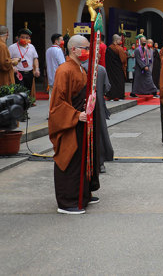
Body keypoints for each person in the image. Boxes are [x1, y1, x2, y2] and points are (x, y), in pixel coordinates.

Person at [48, 35, 99, 214]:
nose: (87, 51)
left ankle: (82, 193)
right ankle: (67, 201)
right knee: (70, 158)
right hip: (71, 122)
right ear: (73, 49)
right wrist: (76, 115)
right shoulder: (64, 70)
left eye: (88, 48)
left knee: (83, 159)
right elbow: (57, 104)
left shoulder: (80, 68)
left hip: (82, 121)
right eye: (84, 48)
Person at [9, 28, 40, 95]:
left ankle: (26, 104)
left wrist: (37, 69)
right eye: (22, 37)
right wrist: (12, 67)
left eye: (27, 37)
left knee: (28, 92)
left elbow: (35, 59)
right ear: (18, 38)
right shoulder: (12, 47)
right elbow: (8, 60)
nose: (25, 39)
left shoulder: (31, 47)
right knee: (20, 92)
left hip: (29, 73)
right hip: (18, 73)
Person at [45, 33, 65, 107]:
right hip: (58, 76)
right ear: (56, 41)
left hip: (50, 76)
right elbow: (62, 64)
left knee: (51, 96)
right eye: (61, 40)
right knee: (58, 97)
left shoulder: (48, 50)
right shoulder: (58, 50)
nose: (63, 41)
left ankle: (50, 113)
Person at [105, 34, 127, 101]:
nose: (120, 41)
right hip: (118, 69)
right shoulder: (119, 48)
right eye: (120, 40)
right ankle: (119, 95)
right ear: (116, 40)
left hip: (110, 69)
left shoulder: (109, 48)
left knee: (111, 81)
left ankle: (111, 95)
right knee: (119, 81)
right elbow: (123, 60)